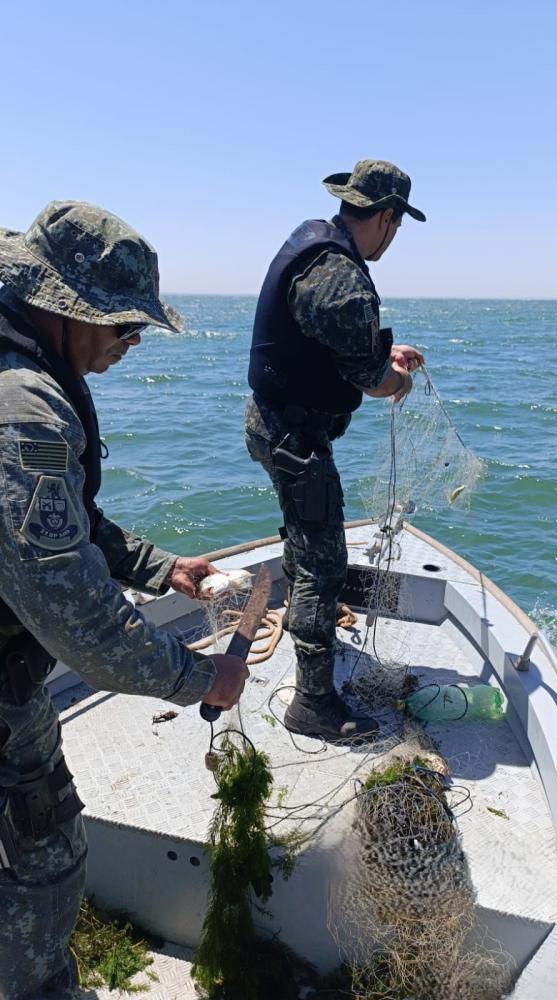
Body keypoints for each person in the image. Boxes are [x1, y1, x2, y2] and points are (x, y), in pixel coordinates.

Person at [0, 201, 248, 1000]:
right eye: (122, 328)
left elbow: (60, 520)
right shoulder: (24, 411)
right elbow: (79, 620)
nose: (130, 344)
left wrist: (160, 566)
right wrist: (197, 677)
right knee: (45, 859)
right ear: (61, 308)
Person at [245, 159, 426, 742]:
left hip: (273, 425)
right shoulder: (342, 279)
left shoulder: (315, 246)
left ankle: (310, 627)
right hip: (294, 438)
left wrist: (381, 361)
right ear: (389, 219)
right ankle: (313, 702)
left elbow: (338, 349)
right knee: (324, 561)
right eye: (397, 227)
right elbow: (373, 381)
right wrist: (398, 381)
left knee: (304, 535)